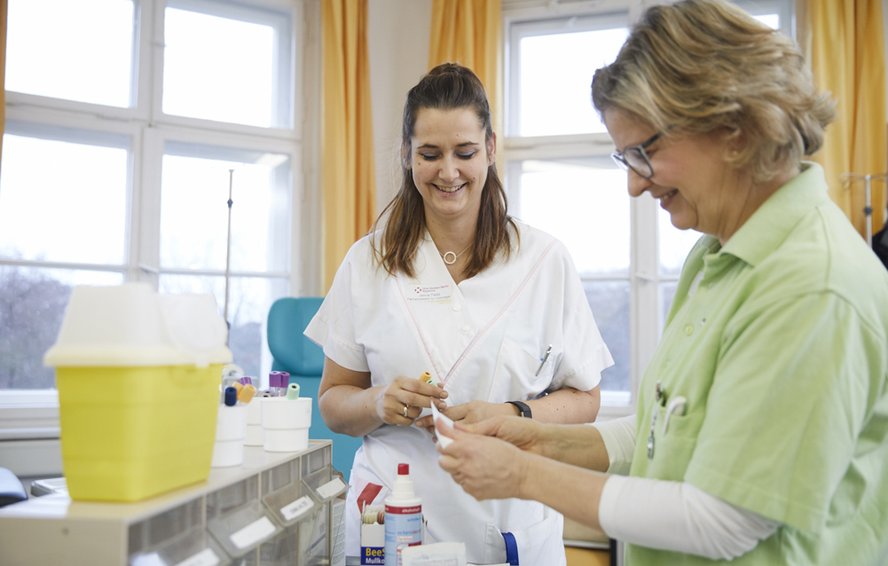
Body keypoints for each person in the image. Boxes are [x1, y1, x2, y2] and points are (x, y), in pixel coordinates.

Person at [435, 1, 888, 564]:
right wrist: (534, 437)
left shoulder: (811, 287)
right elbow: (658, 435)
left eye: (644, 153)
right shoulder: (716, 255)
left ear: (733, 129)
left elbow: (724, 520)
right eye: (624, 158)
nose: (634, 185)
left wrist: (524, 475)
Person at [304, 62, 613, 564]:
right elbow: (334, 403)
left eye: (464, 153)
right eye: (429, 154)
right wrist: (378, 402)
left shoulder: (543, 260)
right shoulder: (368, 261)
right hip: (393, 519)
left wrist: (514, 414)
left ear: (490, 148)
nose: (448, 172)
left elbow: (586, 398)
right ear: (406, 155)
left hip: (508, 520)